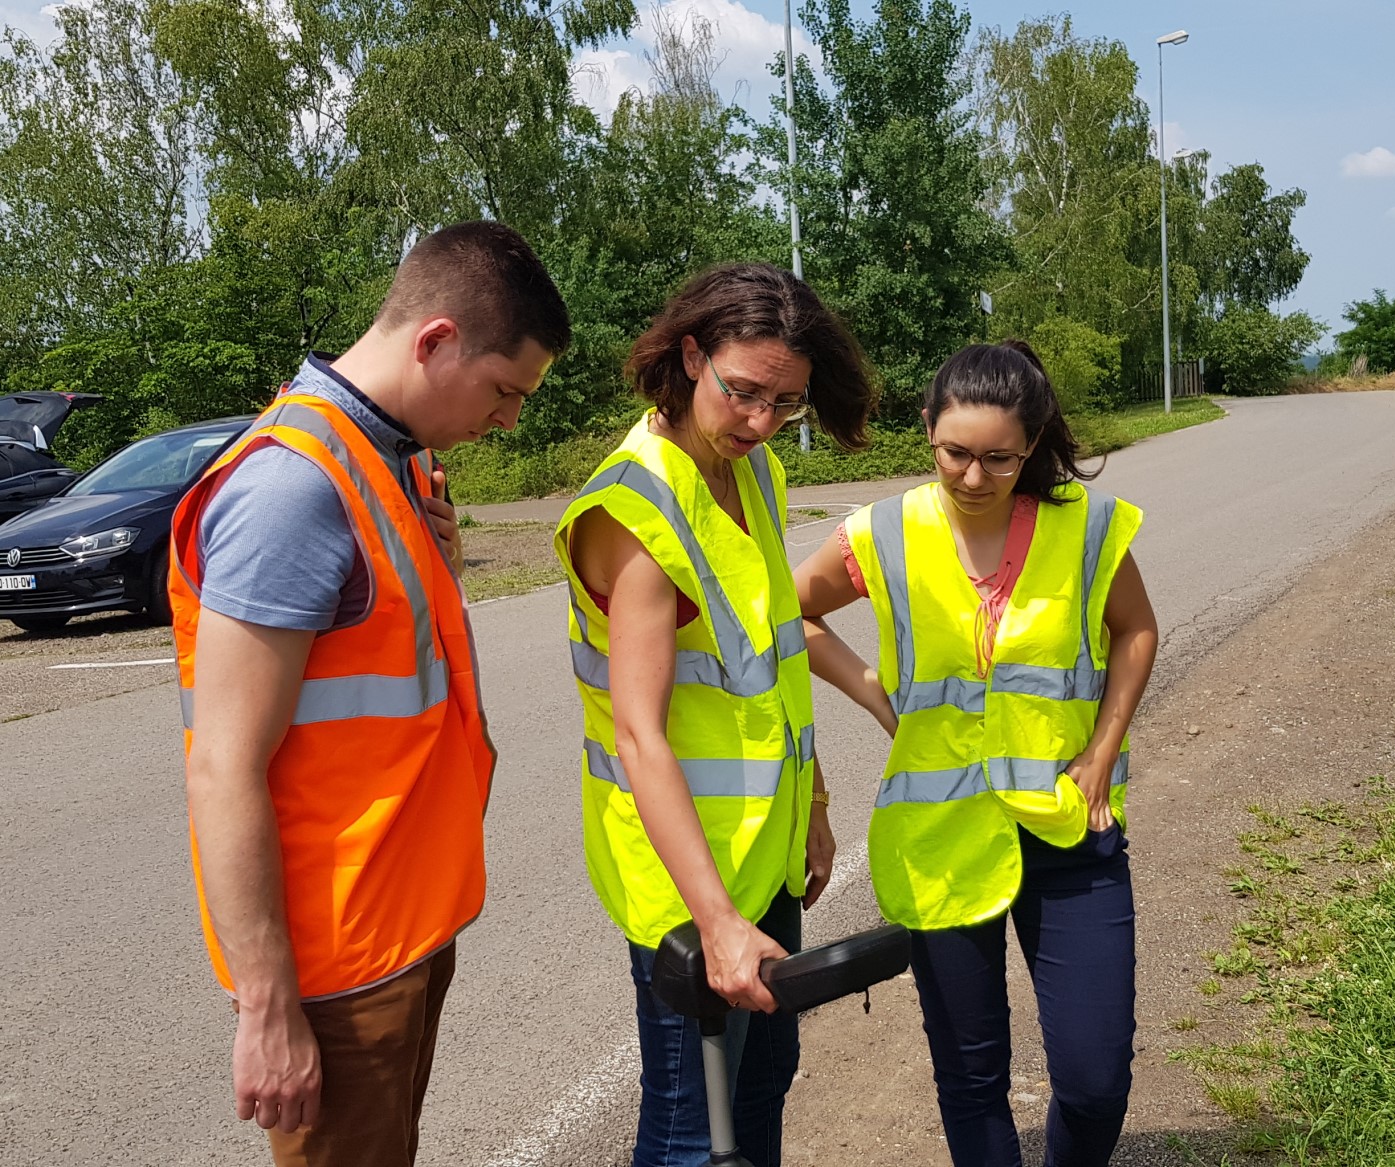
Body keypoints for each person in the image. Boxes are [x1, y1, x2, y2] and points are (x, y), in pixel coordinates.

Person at [169, 221, 570, 1166]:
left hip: (395, 932)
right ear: (434, 341)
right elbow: (223, 766)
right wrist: (270, 1007)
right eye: (504, 390)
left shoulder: (387, 460)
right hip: (335, 967)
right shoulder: (293, 488)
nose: (510, 420)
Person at [793, 340, 1160, 1167]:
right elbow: (792, 614)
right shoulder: (884, 531)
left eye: (1000, 456)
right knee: (970, 1077)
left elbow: (1136, 629)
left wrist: (1104, 749)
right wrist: (878, 698)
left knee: (1096, 1082)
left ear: (1032, 444)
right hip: (941, 838)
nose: (972, 475)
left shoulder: (1088, 526)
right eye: (954, 451)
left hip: (1070, 829)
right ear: (927, 428)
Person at [554, 262, 875, 1167]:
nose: (762, 421)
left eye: (788, 402)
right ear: (691, 355)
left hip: (765, 855)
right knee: (693, 1134)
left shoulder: (756, 474)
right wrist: (719, 923)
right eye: (743, 392)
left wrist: (812, 805)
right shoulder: (636, 512)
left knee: (764, 1085)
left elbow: (775, 653)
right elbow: (639, 733)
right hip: (689, 883)